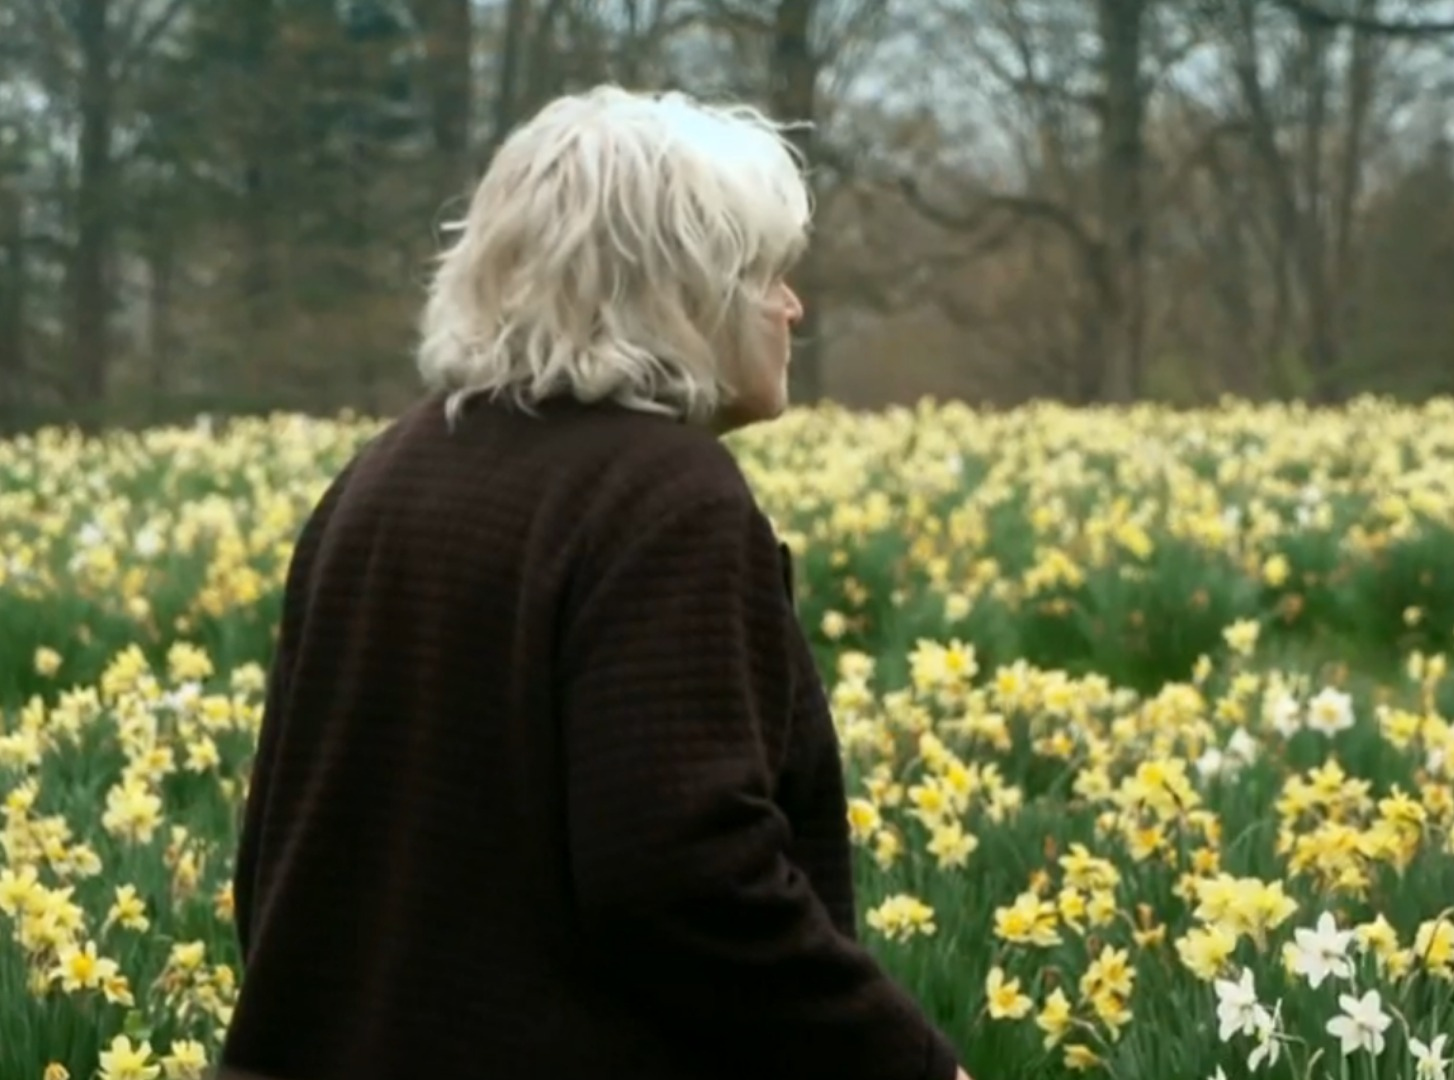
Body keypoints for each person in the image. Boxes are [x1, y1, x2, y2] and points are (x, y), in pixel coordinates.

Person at [217, 86, 969, 1080]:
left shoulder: (384, 473)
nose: (794, 307)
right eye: (767, 275)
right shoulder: (663, 496)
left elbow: (277, 854)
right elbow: (686, 883)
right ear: (680, 289)